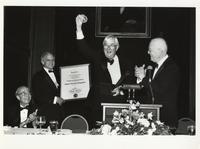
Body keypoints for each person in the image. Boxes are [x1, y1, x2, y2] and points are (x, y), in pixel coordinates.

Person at [75, 14, 135, 128]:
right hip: (99, 106)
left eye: (111, 45)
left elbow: (131, 82)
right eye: (105, 45)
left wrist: (122, 89)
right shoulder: (98, 58)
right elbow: (84, 49)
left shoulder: (126, 62)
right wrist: (79, 27)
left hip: (120, 106)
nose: (108, 48)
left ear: (117, 47)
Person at [135, 37, 180, 127]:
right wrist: (139, 78)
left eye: (150, 50)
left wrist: (143, 78)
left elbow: (158, 90)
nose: (148, 52)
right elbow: (147, 90)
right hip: (153, 118)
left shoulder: (171, 68)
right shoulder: (152, 67)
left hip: (165, 120)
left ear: (161, 51)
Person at [31, 52, 65, 128]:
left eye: (53, 60)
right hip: (46, 114)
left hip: (60, 113)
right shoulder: (38, 76)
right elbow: (37, 96)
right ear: (42, 62)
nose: (51, 62)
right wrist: (55, 99)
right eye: (48, 60)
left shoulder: (59, 74)